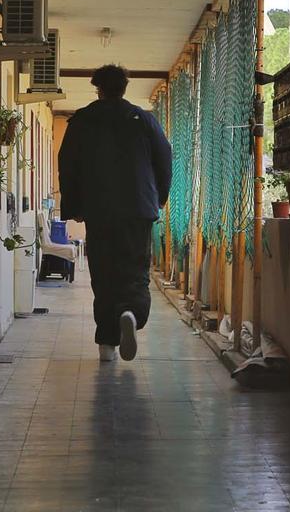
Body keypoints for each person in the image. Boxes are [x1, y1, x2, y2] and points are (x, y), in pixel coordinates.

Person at [58, 64, 172, 362]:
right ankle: (131, 313)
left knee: (104, 273)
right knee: (135, 269)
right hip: (138, 209)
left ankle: (107, 343)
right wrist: (158, 197)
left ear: (98, 89)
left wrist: (74, 206)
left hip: (100, 208)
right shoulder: (144, 120)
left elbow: (67, 164)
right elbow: (164, 157)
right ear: (124, 88)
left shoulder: (83, 120)